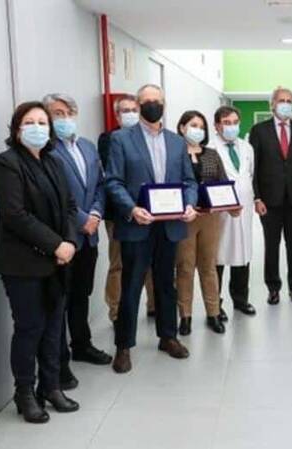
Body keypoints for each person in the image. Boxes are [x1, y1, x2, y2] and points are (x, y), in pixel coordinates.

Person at [0, 101, 80, 423]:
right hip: (22, 264)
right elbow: (15, 215)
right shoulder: (5, 163)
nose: (38, 127)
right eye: (30, 122)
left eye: (43, 122)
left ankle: (51, 386)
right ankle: (25, 393)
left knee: (54, 328)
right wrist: (57, 245)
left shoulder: (53, 162)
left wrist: (70, 242)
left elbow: (70, 207)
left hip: (58, 261)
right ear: (17, 129)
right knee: (30, 328)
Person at [106, 84, 198, 374]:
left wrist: (189, 204)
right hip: (138, 224)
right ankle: (123, 346)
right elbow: (113, 181)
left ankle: (168, 337)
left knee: (166, 283)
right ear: (138, 104)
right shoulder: (121, 139)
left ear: (164, 104)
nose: (152, 105)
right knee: (132, 285)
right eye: (146, 101)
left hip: (169, 225)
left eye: (156, 101)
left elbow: (189, 181)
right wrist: (132, 209)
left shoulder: (176, 142)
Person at [43, 94, 113, 388]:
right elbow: (54, 195)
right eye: (58, 113)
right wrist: (82, 218)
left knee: (82, 294)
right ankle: (59, 362)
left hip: (89, 237)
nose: (65, 118)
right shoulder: (46, 150)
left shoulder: (87, 146)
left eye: (69, 112)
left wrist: (95, 213)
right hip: (64, 238)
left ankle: (82, 345)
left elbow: (99, 185)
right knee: (59, 300)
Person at [97, 95, 156, 322]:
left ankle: (154, 306)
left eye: (134, 109)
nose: (130, 114)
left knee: (151, 261)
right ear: (117, 115)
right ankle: (116, 311)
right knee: (118, 264)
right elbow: (115, 175)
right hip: (119, 212)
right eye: (125, 110)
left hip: (149, 211)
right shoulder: (109, 139)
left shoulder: (149, 137)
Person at [250, 87, 292, 305]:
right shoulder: (259, 130)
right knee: (271, 246)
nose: (285, 104)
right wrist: (257, 197)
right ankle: (273, 287)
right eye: (281, 100)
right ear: (272, 104)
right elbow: (253, 167)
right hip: (269, 200)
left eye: (289, 100)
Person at [174, 110, 231, 335]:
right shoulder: (174, 153)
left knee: (208, 266)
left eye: (201, 126)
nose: (198, 130)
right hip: (184, 219)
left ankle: (213, 313)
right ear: (182, 128)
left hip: (210, 218)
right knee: (185, 267)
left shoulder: (212, 155)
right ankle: (185, 316)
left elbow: (223, 182)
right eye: (193, 125)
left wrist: (230, 203)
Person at [212, 106, 257, 318]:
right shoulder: (210, 148)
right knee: (218, 257)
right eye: (226, 122)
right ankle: (215, 304)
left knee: (242, 254)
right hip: (220, 212)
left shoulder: (247, 147)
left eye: (235, 122)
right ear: (217, 125)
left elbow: (250, 174)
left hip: (244, 209)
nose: (232, 126)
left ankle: (240, 300)